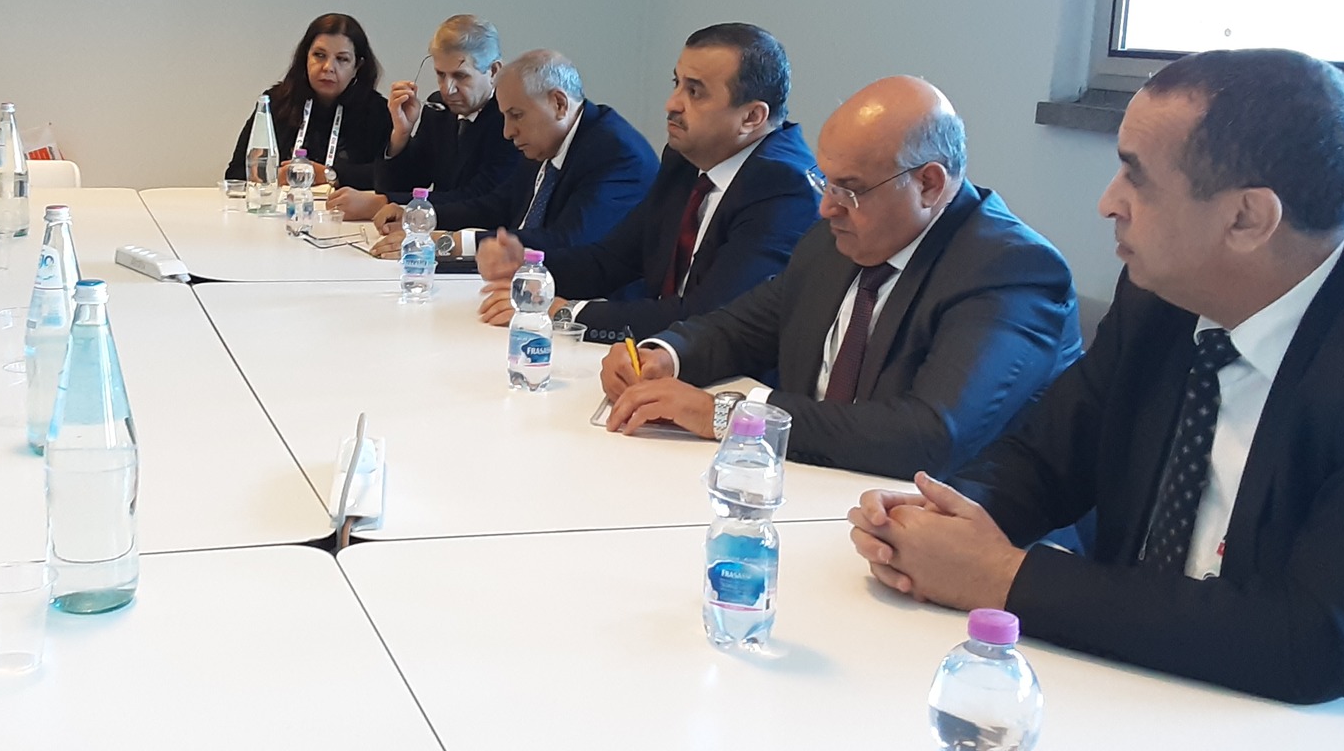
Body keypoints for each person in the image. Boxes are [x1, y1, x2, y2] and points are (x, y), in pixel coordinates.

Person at [848, 50, 1344, 735]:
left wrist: (1001, 577)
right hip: (1130, 687)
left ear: (1247, 219)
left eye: (1136, 177)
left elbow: (1312, 637)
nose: (1108, 202)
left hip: (1338, 740)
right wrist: (936, 520)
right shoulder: (1164, 290)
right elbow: (1047, 457)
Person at [602, 76, 1079, 480]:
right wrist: (664, 356)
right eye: (824, 182)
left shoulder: (1011, 271)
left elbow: (930, 435)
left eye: (849, 190)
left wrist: (729, 415)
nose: (826, 207)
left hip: (941, 524)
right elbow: (742, 327)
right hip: (809, 485)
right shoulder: (836, 239)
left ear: (929, 184)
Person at [477, 24, 816, 343]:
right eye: (677, 84)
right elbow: (613, 259)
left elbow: (707, 316)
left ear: (752, 117)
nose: (672, 103)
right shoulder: (685, 160)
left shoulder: (784, 188)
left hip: (732, 376)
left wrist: (563, 313)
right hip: (666, 358)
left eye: (695, 92)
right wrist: (530, 268)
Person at [369, 49, 658, 262]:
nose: (507, 132)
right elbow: (499, 204)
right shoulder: (546, 141)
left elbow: (567, 240)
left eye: (516, 115)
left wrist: (451, 243)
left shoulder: (616, 153)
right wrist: (420, 215)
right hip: (523, 282)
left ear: (559, 103)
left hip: (589, 306)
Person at [331, 14, 526, 222]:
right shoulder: (438, 107)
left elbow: (479, 197)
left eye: (460, 76)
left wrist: (384, 202)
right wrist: (401, 134)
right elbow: (402, 184)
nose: (448, 89)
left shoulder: (510, 118)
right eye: (441, 75)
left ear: (494, 71)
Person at [225, 13, 390, 190]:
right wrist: (272, 176)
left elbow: (393, 177)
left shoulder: (376, 110)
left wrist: (330, 175)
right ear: (305, 58)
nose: (328, 67)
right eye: (319, 55)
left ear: (357, 66)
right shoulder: (276, 102)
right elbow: (235, 173)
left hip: (343, 208)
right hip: (284, 206)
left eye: (342, 59)